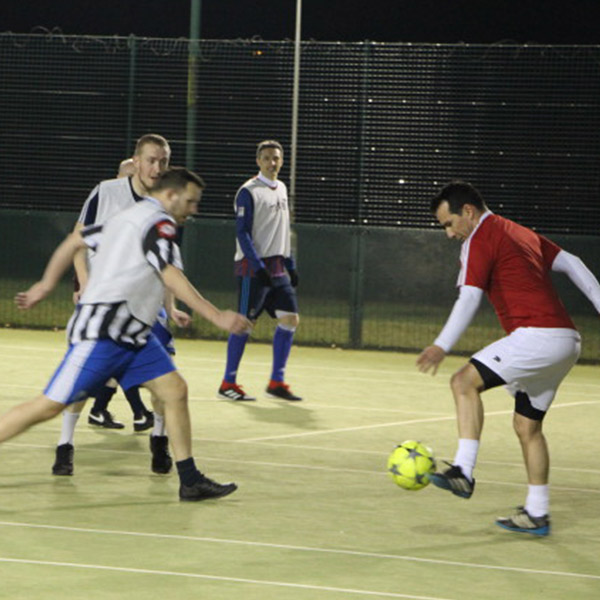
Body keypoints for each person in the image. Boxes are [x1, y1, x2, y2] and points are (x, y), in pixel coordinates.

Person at [13, 167, 250, 501]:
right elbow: (168, 273)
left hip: (133, 333)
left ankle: (190, 480)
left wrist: (46, 284)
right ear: (171, 195)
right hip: (105, 332)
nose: (194, 209)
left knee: (174, 390)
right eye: (191, 201)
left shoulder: (128, 217)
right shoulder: (159, 223)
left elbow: (75, 240)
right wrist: (216, 315)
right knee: (46, 407)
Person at [416, 180, 600, 536]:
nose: (449, 234)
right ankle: (537, 512)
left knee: (462, 382)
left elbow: (468, 299)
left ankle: (463, 471)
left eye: (448, 224)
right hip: (567, 342)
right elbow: (574, 263)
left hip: (538, 337)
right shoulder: (520, 232)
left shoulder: (480, 239)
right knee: (527, 427)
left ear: (467, 212)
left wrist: (441, 344)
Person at [53, 133, 189, 477]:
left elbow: (167, 264)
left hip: (147, 307)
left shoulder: (167, 205)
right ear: (137, 161)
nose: (157, 168)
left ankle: (159, 442)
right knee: (81, 381)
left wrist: (171, 307)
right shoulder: (106, 192)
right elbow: (78, 240)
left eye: (163, 162)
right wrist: (83, 282)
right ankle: (65, 446)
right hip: (103, 305)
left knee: (167, 381)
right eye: (151, 160)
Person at [217, 140, 302, 402]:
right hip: (252, 270)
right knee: (245, 324)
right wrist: (257, 266)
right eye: (266, 158)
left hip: (277, 268)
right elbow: (242, 233)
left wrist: (290, 265)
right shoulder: (248, 191)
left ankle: (276, 381)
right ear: (258, 161)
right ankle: (227, 383)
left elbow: (283, 230)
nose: (272, 162)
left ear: (281, 160)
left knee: (290, 319)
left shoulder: (282, 188)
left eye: (276, 158)